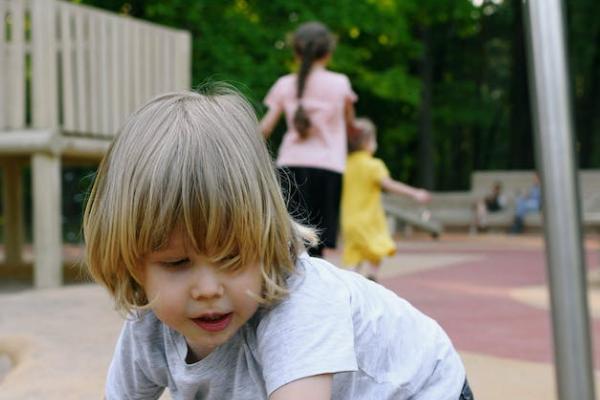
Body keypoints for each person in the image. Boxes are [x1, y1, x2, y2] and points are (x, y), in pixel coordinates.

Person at [83, 87, 473, 399]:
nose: (208, 289)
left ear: (265, 237)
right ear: (134, 263)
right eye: (177, 263)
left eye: (232, 257)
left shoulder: (300, 305)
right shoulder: (148, 326)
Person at [260, 21, 357, 258]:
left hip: (291, 166)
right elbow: (351, 125)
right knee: (317, 246)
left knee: (289, 238)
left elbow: (264, 130)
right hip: (328, 167)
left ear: (296, 52)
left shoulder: (284, 84)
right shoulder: (340, 83)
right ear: (328, 53)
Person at [341, 118, 431, 282]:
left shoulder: (346, 164)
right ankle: (372, 277)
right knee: (378, 248)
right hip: (369, 220)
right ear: (367, 142)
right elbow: (390, 185)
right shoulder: (373, 165)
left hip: (349, 221)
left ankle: (350, 285)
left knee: (355, 257)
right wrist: (415, 193)